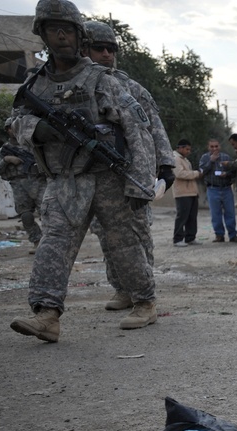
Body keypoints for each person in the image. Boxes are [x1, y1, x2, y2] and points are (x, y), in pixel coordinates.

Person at [9, 0, 157, 342]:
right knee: (55, 242)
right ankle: (47, 314)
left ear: (78, 35)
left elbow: (137, 131)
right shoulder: (35, 86)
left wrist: (141, 183)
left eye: (67, 30)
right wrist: (36, 129)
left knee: (124, 245)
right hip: (64, 178)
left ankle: (144, 301)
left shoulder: (101, 81)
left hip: (107, 176)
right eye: (53, 30)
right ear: (43, 35)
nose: (61, 36)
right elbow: (14, 122)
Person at [82, 19, 175, 312]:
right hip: (92, 175)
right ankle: (121, 289)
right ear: (84, 49)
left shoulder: (129, 87)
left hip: (131, 174)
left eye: (111, 49)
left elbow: (154, 128)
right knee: (108, 237)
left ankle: (143, 294)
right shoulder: (74, 88)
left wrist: (165, 165)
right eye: (99, 48)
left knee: (137, 235)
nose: (107, 54)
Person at [199, 139, 237, 242]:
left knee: (230, 212)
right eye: (212, 146)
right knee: (216, 214)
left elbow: (233, 171)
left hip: (226, 189)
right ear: (208, 147)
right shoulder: (205, 158)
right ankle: (219, 235)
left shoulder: (226, 157)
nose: (214, 148)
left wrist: (227, 174)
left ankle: (233, 235)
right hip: (212, 189)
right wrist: (211, 161)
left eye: (216, 146)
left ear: (219, 147)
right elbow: (202, 172)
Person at [9, 167, 46, 251]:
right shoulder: (4, 153)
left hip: (41, 179)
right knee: (26, 216)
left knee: (48, 214)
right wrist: (6, 160)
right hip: (18, 182)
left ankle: (53, 242)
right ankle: (37, 242)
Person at [172, 139, 201, 246]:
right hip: (182, 193)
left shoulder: (185, 160)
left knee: (192, 217)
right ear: (180, 148)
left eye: (189, 149)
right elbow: (180, 174)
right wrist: (196, 174)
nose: (188, 151)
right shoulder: (175, 159)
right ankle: (178, 239)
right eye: (187, 149)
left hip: (192, 192)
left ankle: (190, 237)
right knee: (182, 216)